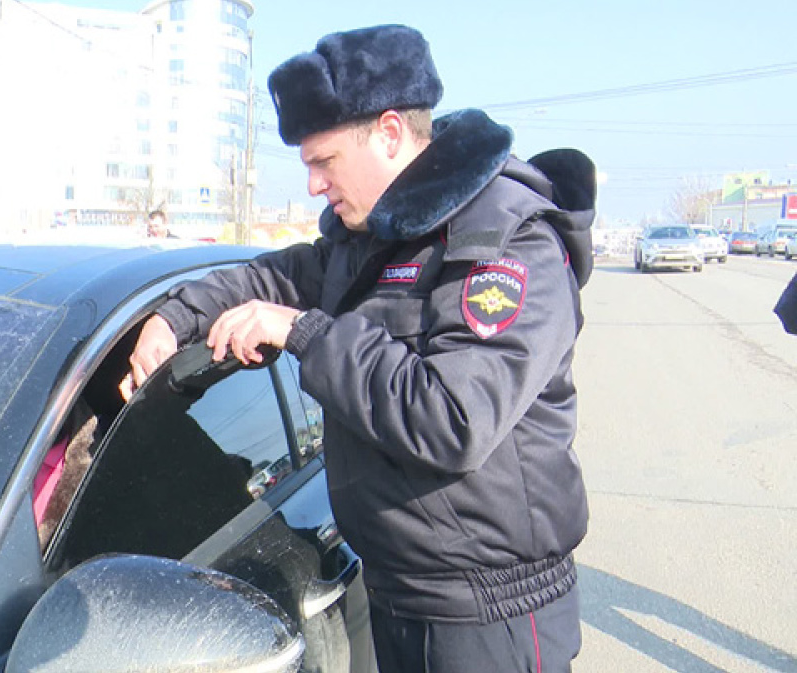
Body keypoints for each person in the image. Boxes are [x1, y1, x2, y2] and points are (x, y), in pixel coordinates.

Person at [120, 25, 595, 673]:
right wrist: (175, 318)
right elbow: (269, 278)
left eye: (325, 161)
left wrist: (303, 332)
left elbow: (453, 418)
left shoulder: (506, 244)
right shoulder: (368, 239)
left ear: (391, 134)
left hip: (487, 617)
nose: (314, 184)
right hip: (401, 591)